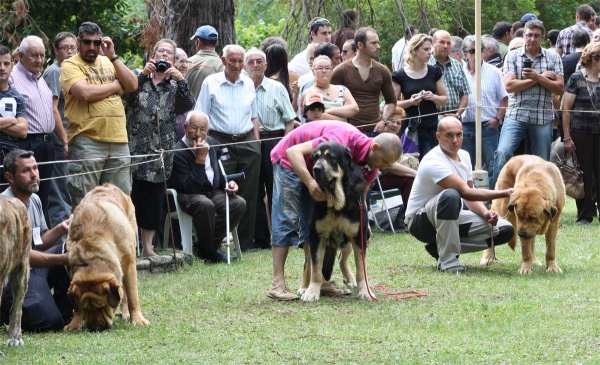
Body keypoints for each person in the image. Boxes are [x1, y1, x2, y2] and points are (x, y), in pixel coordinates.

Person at [267, 120, 402, 300]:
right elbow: (293, 151)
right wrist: (310, 183)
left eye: (388, 164)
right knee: (286, 219)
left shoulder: (372, 167)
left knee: (311, 228)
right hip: (290, 161)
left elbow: (361, 198)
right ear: (375, 147)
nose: (383, 167)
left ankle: (319, 281)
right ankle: (278, 284)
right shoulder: (341, 138)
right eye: (384, 161)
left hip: (315, 172)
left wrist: (365, 225)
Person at [404, 117, 514, 273]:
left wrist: (485, 213)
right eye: (449, 135)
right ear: (438, 136)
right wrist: (505, 192)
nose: (455, 140)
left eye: (459, 134)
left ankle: (439, 247)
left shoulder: (464, 156)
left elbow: (469, 196)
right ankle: (448, 261)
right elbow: (465, 192)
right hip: (419, 221)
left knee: (504, 230)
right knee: (450, 195)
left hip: (448, 214)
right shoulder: (432, 161)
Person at [122, 38, 195, 256]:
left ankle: (147, 247)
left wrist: (180, 78)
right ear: (153, 56)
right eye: (160, 52)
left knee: (153, 200)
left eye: (169, 54)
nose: (164, 56)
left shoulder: (174, 86)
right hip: (133, 149)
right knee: (130, 197)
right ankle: (128, 246)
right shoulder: (138, 77)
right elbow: (126, 95)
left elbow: (189, 104)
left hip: (159, 153)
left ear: (173, 60)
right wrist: (144, 75)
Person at [59, 21, 138, 208]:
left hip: (119, 140)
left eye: (96, 42)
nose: (92, 47)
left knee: (120, 204)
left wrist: (113, 56)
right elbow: (84, 93)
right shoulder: (70, 64)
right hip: (87, 140)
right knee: (86, 205)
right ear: (79, 41)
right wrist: (116, 86)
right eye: (87, 42)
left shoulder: (109, 62)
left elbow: (133, 85)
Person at [194, 44, 260, 251]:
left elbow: (254, 115)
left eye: (241, 61)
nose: (237, 65)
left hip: (247, 141)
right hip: (219, 141)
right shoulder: (210, 82)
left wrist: (256, 142)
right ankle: (220, 239)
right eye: (233, 60)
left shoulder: (248, 82)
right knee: (223, 190)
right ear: (223, 61)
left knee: (249, 192)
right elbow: (200, 114)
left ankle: (246, 241)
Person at [0, 149, 71, 331]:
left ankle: (64, 311)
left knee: (70, 248)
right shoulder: (5, 207)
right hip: (13, 279)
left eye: (35, 168)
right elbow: (23, 256)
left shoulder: (35, 199)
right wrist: (63, 259)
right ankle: (7, 312)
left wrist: (60, 229)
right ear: (10, 177)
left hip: (34, 270)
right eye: (26, 171)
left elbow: (37, 242)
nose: (34, 175)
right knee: (49, 321)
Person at [491, 20, 564, 189]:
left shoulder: (553, 57)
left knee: (542, 161)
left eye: (536, 36)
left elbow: (560, 88)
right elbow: (509, 86)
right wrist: (540, 78)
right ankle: (494, 197)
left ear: (543, 38)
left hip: (542, 116)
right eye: (529, 35)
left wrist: (537, 77)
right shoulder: (513, 55)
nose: (532, 39)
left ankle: (542, 197)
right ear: (523, 36)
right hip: (516, 114)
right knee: (503, 152)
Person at [168, 111, 246, 263]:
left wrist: (228, 183)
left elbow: (217, 174)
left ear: (207, 131)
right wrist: (200, 158)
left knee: (238, 203)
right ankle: (211, 252)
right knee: (205, 205)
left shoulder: (212, 143)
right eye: (193, 128)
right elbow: (191, 188)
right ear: (185, 128)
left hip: (213, 191)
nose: (198, 134)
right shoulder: (178, 152)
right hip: (187, 194)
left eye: (202, 130)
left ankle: (203, 248)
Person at [244, 48, 296, 249]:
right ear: (245, 65)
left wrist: (284, 146)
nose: (255, 65)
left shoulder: (277, 87)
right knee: (254, 191)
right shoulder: (241, 87)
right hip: (249, 142)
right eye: (251, 61)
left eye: (259, 61)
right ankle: (260, 239)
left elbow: (290, 119)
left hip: (275, 141)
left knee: (277, 190)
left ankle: (282, 235)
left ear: (266, 65)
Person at [10, 36, 64, 226]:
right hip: (26, 143)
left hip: (47, 143)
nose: (39, 60)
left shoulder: (39, 77)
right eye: (34, 56)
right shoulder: (12, 78)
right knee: (24, 193)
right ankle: (23, 235)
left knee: (43, 194)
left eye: (42, 55)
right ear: (21, 55)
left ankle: (41, 237)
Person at [330, 27, 397, 134]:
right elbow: (330, 102)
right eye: (373, 43)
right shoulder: (341, 70)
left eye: (378, 43)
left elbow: (391, 101)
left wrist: (383, 121)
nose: (378, 46)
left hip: (374, 131)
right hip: (347, 131)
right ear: (360, 45)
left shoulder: (382, 71)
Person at [392, 34, 448, 158]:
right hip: (410, 129)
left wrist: (434, 97)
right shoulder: (399, 75)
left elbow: (444, 100)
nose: (430, 52)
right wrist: (410, 102)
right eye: (426, 49)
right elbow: (392, 104)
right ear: (414, 50)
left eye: (430, 49)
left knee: (432, 162)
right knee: (411, 162)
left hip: (431, 128)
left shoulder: (435, 72)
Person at [562, 42, 600, 224]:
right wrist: (567, 136)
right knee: (583, 174)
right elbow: (566, 109)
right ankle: (585, 213)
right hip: (580, 133)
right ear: (594, 58)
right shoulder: (576, 78)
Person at [461, 35, 508, 180]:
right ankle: (468, 200)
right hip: (466, 126)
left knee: (494, 165)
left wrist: (497, 120)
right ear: (465, 54)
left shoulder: (495, 72)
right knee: (465, 166)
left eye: (480, 50)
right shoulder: (459, 72)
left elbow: (504, 98)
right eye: (472, 51)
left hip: (488, 126)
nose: (476, 54)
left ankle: (494, 199)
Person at [43, 32, 76, 229]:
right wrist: (64, 141)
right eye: (65, 48)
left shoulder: (72, 70)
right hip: (58, 141)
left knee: (69, 192)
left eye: (73, 47)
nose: (70, 52)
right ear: (56, 51)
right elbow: (52, 109)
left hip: (71, 140)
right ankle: (60, 247)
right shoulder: (55, 71)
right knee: (60, 195)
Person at [377, 106, 417, 225]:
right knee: (410, 178)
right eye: (392, 121)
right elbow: (389, 166)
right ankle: (409, 219)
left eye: (398, 123)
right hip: (375, 181)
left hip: (387, 177)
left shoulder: (395, 139)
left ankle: (411, 216)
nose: (395, 125)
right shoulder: (379, 138)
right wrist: (416, 173)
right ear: (384, 120)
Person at [0, 45, 28, 187]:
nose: (2, 68)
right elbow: (18, 124)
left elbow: (23, 131)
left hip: (10, 160)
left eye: (5, 64)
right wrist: (11, 120)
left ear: (12, 66)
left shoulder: (18, 97)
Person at [300, 55, 358, 122]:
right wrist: (344, 117)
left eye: (327, 68)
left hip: (341, 132)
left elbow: (355, 109)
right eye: (320, 68)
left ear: (332, 70)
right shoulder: (309, 92)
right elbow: (316, 117)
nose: (324, 71)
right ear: (313, 71)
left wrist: (326, 111)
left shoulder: (342, 89)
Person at [428, 30, 470, 122]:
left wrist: (457, 114)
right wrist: (438, 116)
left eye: (448, 43)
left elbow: (465, 94)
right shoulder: (425, 66)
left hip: (455, 118)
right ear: (433, 44)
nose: (445, 46)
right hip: (432, 119)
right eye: (442, 42)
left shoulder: (457, 65)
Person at [186, 25, 224, 100]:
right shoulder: (221, 65)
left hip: (186, 111)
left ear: (198, 42)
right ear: (216, 43)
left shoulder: (185, 62)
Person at [174, 47, 191, 141]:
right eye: (181, 61)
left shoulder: (185, 84)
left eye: (187, 62)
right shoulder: (166, 84)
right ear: (172, 62)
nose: (185, 66)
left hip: (184, 142)